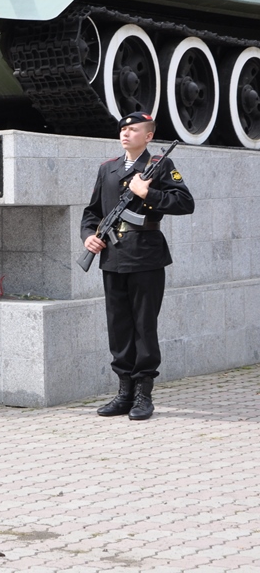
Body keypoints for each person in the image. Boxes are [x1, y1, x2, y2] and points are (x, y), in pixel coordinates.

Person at [81, 111, 195, 421]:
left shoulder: (159, 165)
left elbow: (186, 203)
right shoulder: (108, 169)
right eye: (123, 129)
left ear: (148, 136)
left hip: (145, 256)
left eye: (133, 129)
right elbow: (92, 213)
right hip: (113, 258)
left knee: (144, 326)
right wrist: (89, 237)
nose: (126, 133)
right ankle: (124, 392)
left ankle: (144, 394)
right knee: (119, 326)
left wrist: (150, 193)